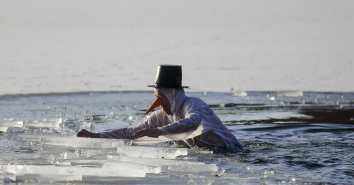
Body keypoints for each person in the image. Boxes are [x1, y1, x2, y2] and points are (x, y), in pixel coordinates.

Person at [76, 65, 243, 151]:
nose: (159, 103)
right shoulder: (161, 116)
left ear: (172, 96)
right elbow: (133, 132)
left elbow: (192, 122)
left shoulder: (193, 104)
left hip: (231, 150)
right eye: (156, 98)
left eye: (161, 98)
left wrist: (159, 132)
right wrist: (97, 135)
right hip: (208, 155)